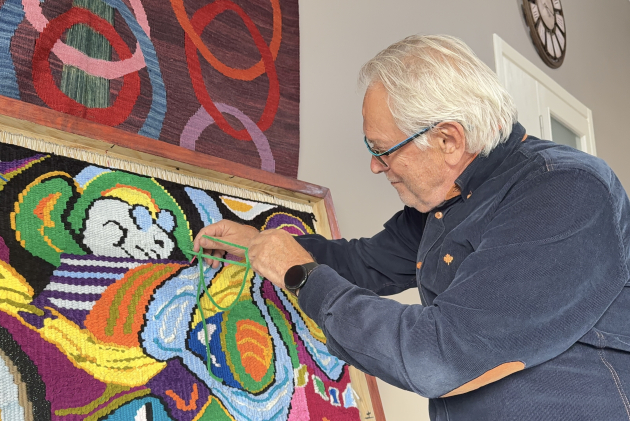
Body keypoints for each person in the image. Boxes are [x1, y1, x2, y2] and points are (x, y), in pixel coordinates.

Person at [192, 35, 630, 420]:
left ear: (448, 140)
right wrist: (261, 244)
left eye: (382, 149)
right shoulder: (447, 198)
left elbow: (439, 356)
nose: (374, 165)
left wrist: (301, 276)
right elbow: (365, 262)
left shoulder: (564, 189)